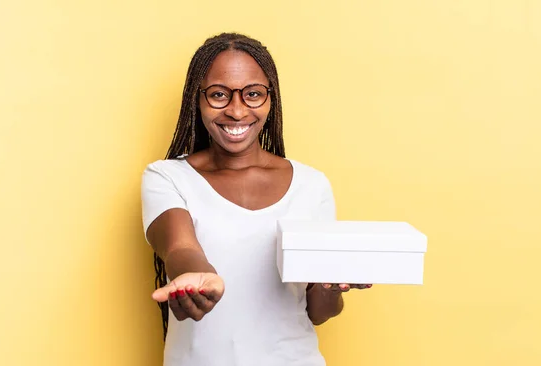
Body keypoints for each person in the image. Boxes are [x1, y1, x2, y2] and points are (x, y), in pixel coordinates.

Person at [141, 32, 372, 366]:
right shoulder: (167, 177)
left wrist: (332, 286)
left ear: (270, 99)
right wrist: (195, 277)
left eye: (252, 94)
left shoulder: (311, 185)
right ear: (198, 99)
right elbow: (180, 247)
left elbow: (320, 312)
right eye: (219, 95)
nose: (237, 111)